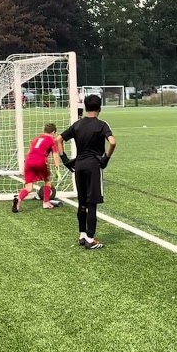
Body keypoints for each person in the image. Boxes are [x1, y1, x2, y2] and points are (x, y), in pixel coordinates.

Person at [56, 94, 116, 250]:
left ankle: (82, 235)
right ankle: (90, 239)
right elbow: (112, 142)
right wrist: (106, 159)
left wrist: (64, 159)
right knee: (92, 202)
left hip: (80, 165)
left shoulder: (77, 125)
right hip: (93, 166)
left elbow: (58, 139)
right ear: (99, 108)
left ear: (85, 107)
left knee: (82, 202)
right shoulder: (102, 125)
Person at [12, 123, 62, 213]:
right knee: (47, 181)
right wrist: (57, 168)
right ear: (53, 132)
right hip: (40, 161)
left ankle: (18, 199)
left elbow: (29, 151)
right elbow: (55, 155)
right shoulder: (51, 140)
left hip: (28, 161)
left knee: (28, 187)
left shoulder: (36, 139)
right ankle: (46, 202)